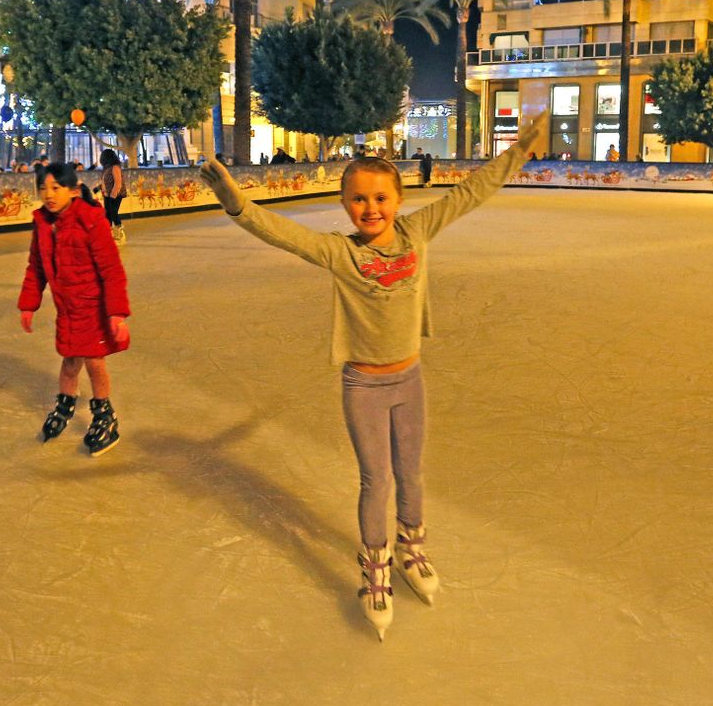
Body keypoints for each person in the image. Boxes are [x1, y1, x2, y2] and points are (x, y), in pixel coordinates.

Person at [198, 111, 548, 640]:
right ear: (344, 204)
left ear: (399, 201)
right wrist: (236, 202)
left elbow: (469, 193)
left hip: (409, 380)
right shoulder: (339, 253)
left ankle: (412, 547)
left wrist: (517, 152)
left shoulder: (417, 232)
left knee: (411, 473)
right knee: (375, 479)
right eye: (359, 199)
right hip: (363, 385)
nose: (371, 209)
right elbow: (282, 233)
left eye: (381, 198)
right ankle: (376, 565)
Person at [19, 162, 132, 454]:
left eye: (56, 188)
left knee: (94, 362)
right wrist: (29, 304)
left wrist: (117, 312)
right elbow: (36, 266)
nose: (49, 195)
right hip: (66, 307)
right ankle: (65, 404)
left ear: (72, 189)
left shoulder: (89, 220)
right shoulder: (43, 222)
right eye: (43, 188)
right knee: (70, 360)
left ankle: (106, 415)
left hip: (92, 305)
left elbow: (111, 268)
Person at [100, 147, 126, 246]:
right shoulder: (107, 168)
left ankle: (121, 234)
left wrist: (112, 196)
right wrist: (100, 189)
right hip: (107, 195)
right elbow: (105, 181)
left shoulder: (115, 167)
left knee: (113, 213)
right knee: (108, 215)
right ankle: (109, 235)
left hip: (116, 195)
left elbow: (118, 183)